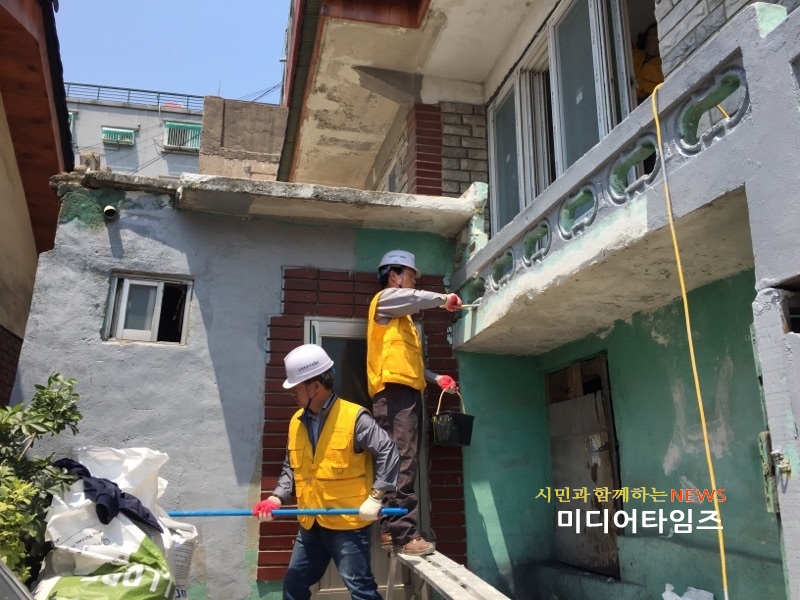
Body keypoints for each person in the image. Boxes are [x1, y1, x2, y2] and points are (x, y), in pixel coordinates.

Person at [253, 343, 400, 600]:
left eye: (296, 388)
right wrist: (276, 498)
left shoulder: (355, 418)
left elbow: (388, 450)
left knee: (362, 591)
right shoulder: (296, 422)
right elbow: (292, 467)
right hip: (311, 523)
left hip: (347, 525)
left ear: (315, 386)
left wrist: (377, 496)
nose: (292, 394)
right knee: (293, 586)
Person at [367, 249, 462, 556]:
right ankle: (405, 534)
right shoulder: (385, 300)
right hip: (394, 393)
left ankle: (389, 530)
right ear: (394, 275)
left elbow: (410, 364)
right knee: (403, 459)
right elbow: (415, 298)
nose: (413, 281)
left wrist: (436, 378)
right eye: (410, 275)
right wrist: (444, 299)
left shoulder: (403, 320)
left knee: (396, 458)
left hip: (404, 391)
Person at [632, 23, 664, 104]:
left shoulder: (663, 63)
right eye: (654, 31)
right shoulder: (633, 54)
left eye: (659, 32)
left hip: (649, 100)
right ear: (646, 36)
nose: (656, 34)